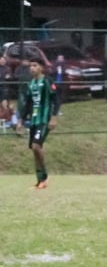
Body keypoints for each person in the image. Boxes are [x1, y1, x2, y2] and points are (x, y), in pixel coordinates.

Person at [15, 57, 58, 189]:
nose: (31, 68)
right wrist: (21, 120)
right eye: (30, 66)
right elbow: (28, 104)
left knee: (36, 147)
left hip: (43, 120)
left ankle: (44, 177)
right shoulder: (31, 83)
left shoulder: (47, 81)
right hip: (33, 120)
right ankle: (40, 181)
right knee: (34, 150)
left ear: (41, 67)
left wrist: (54, 117)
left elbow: (56, 99)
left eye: (34, 65)